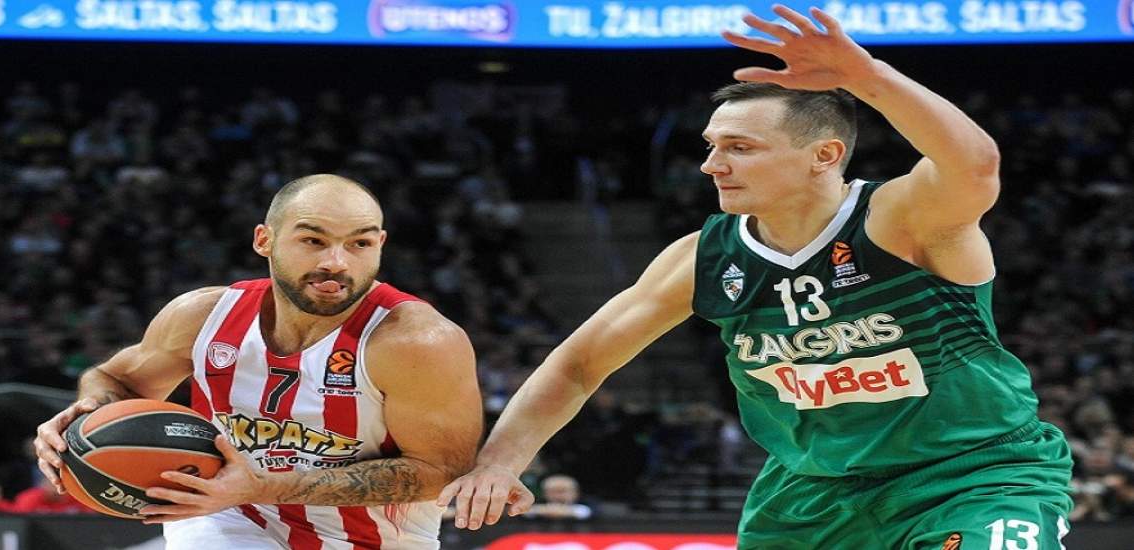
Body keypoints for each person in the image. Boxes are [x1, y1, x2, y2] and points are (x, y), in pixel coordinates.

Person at [438, 6, 1073, 549]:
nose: (712, 165)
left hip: (972, 475)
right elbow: (579, 364)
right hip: (810, 494)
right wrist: (500, 463)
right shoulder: (702, 257)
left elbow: (974, 165)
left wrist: (867, 76)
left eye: (740, 148)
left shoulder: (901, 219)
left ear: (824, 155)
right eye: (712, 146)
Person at [34, 174, 483, 549]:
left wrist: (266, 485)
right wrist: (87, 417)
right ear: (264, 240)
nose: (336, 262)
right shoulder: (203, 316)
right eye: (313, 240)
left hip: (371, 539)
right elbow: (117, 378)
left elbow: (438, 472)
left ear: (380, 244)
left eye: (359, 244)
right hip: (226, 514)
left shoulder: (416, 341)